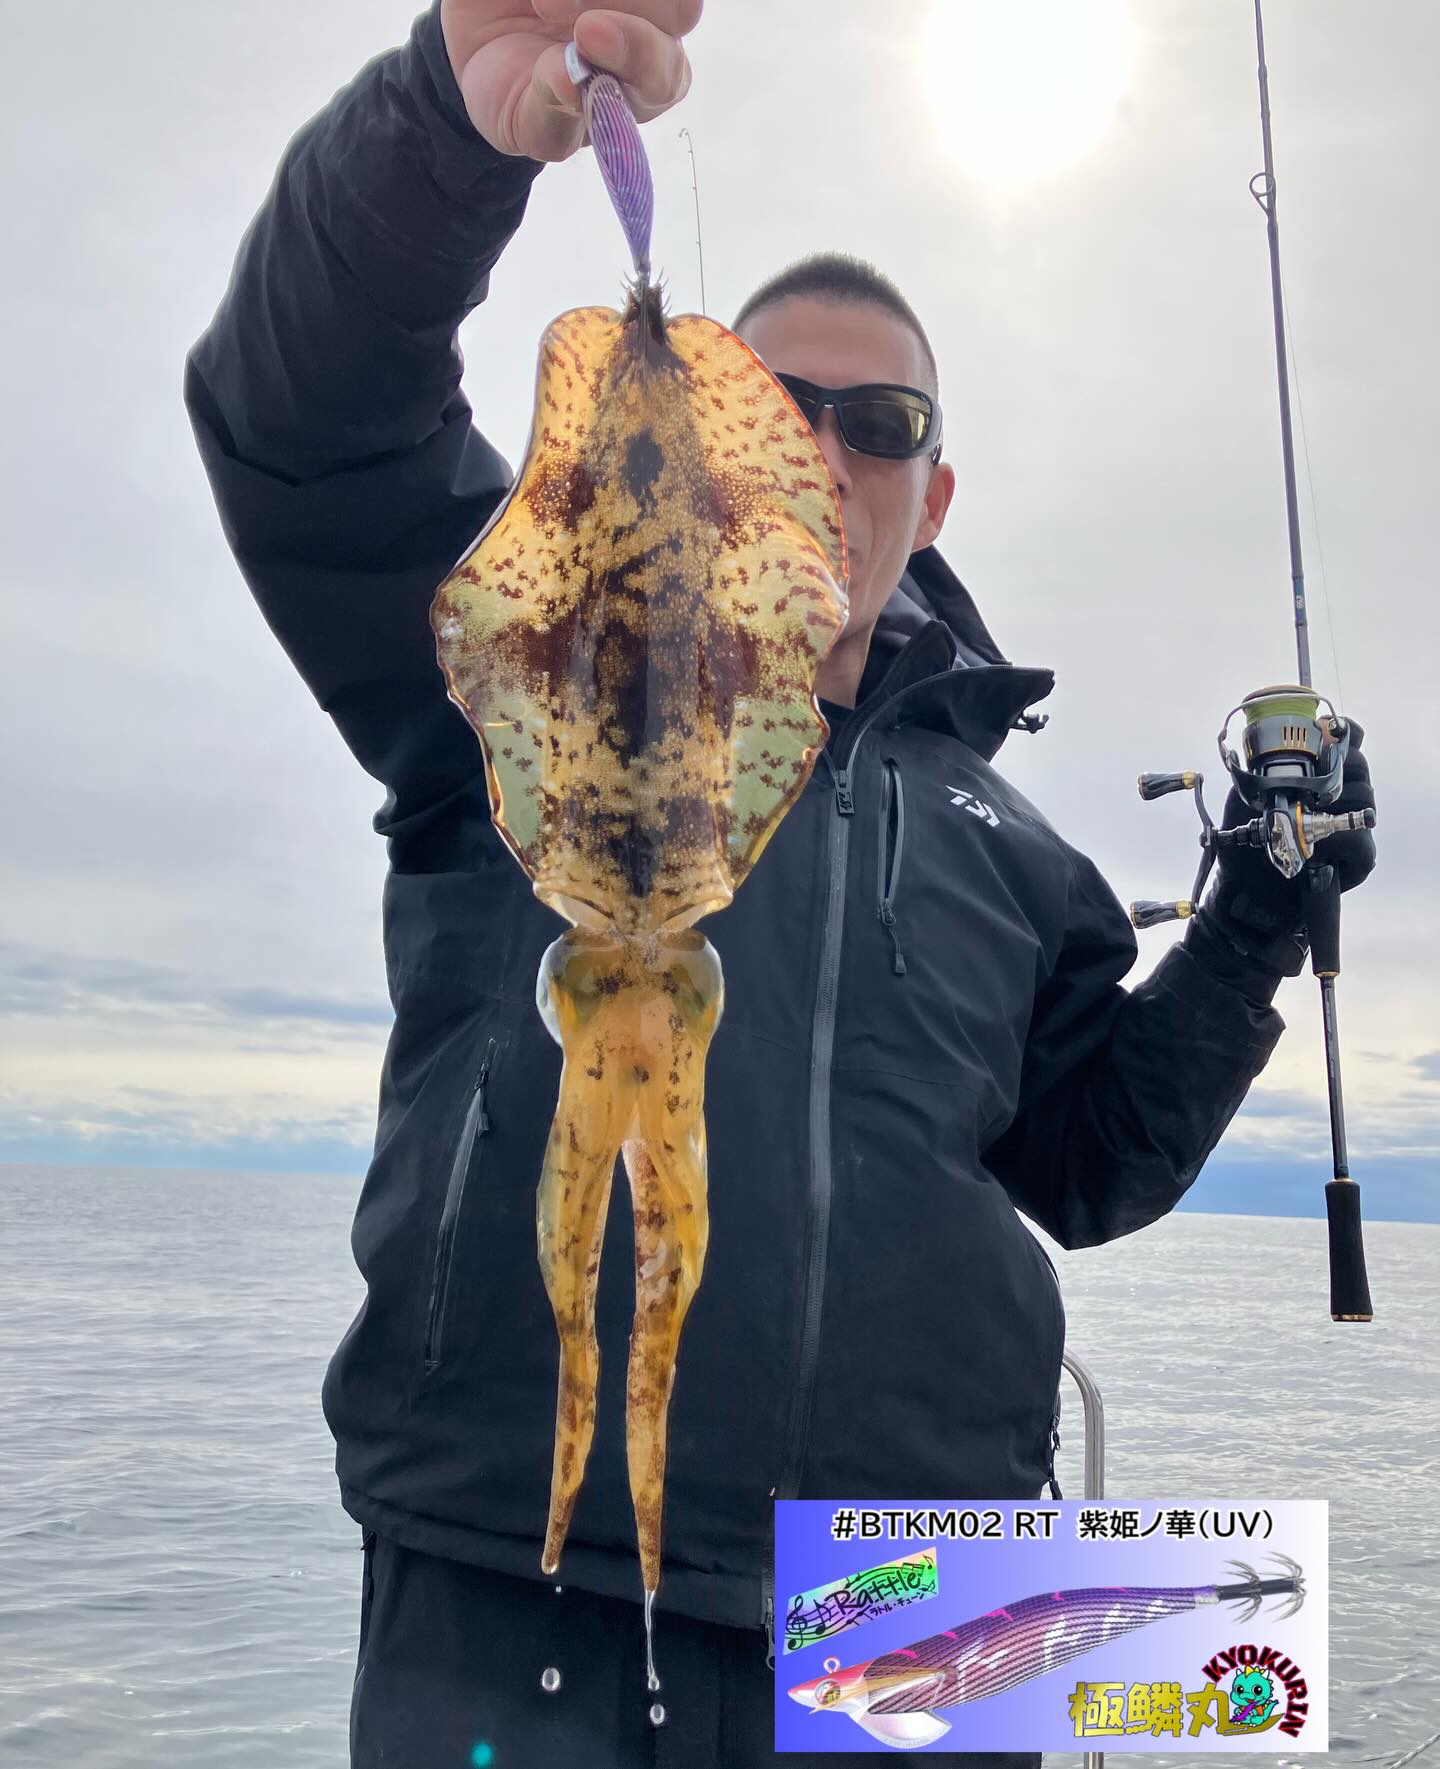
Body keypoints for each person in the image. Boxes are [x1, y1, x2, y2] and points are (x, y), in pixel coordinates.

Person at [184, 2, 1377, 1764]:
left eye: (877, 421)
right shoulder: (523, 673)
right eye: (771, 407)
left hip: (937, 1608)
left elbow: (1092, 1161)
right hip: (522, 1586)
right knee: (1227, 1648)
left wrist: (1254, 921)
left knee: (1245, 1653)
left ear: (933, 492)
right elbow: (303, 420)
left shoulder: (1008, 840)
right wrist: (447, 120)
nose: (823, 451)